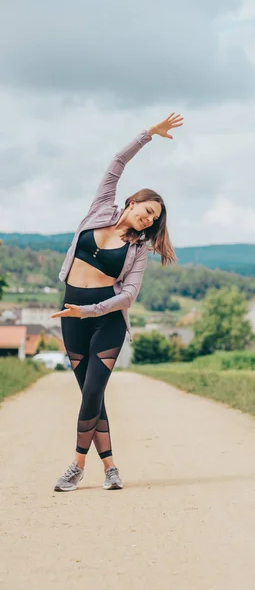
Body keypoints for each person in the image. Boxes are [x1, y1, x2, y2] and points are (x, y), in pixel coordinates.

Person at [50, 112, 184, 491]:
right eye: (147, 209)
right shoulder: (99, 211)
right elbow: (116, 163)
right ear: (132, 201)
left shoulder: (138, 250)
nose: (148, 218)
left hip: (106, 319)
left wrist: (89, 310)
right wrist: (149, 135)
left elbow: (128, 295)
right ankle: (111, 468)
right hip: (70, 315)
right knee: (91, 395)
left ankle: (76, 466)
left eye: (153, 218)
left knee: (94, 390)